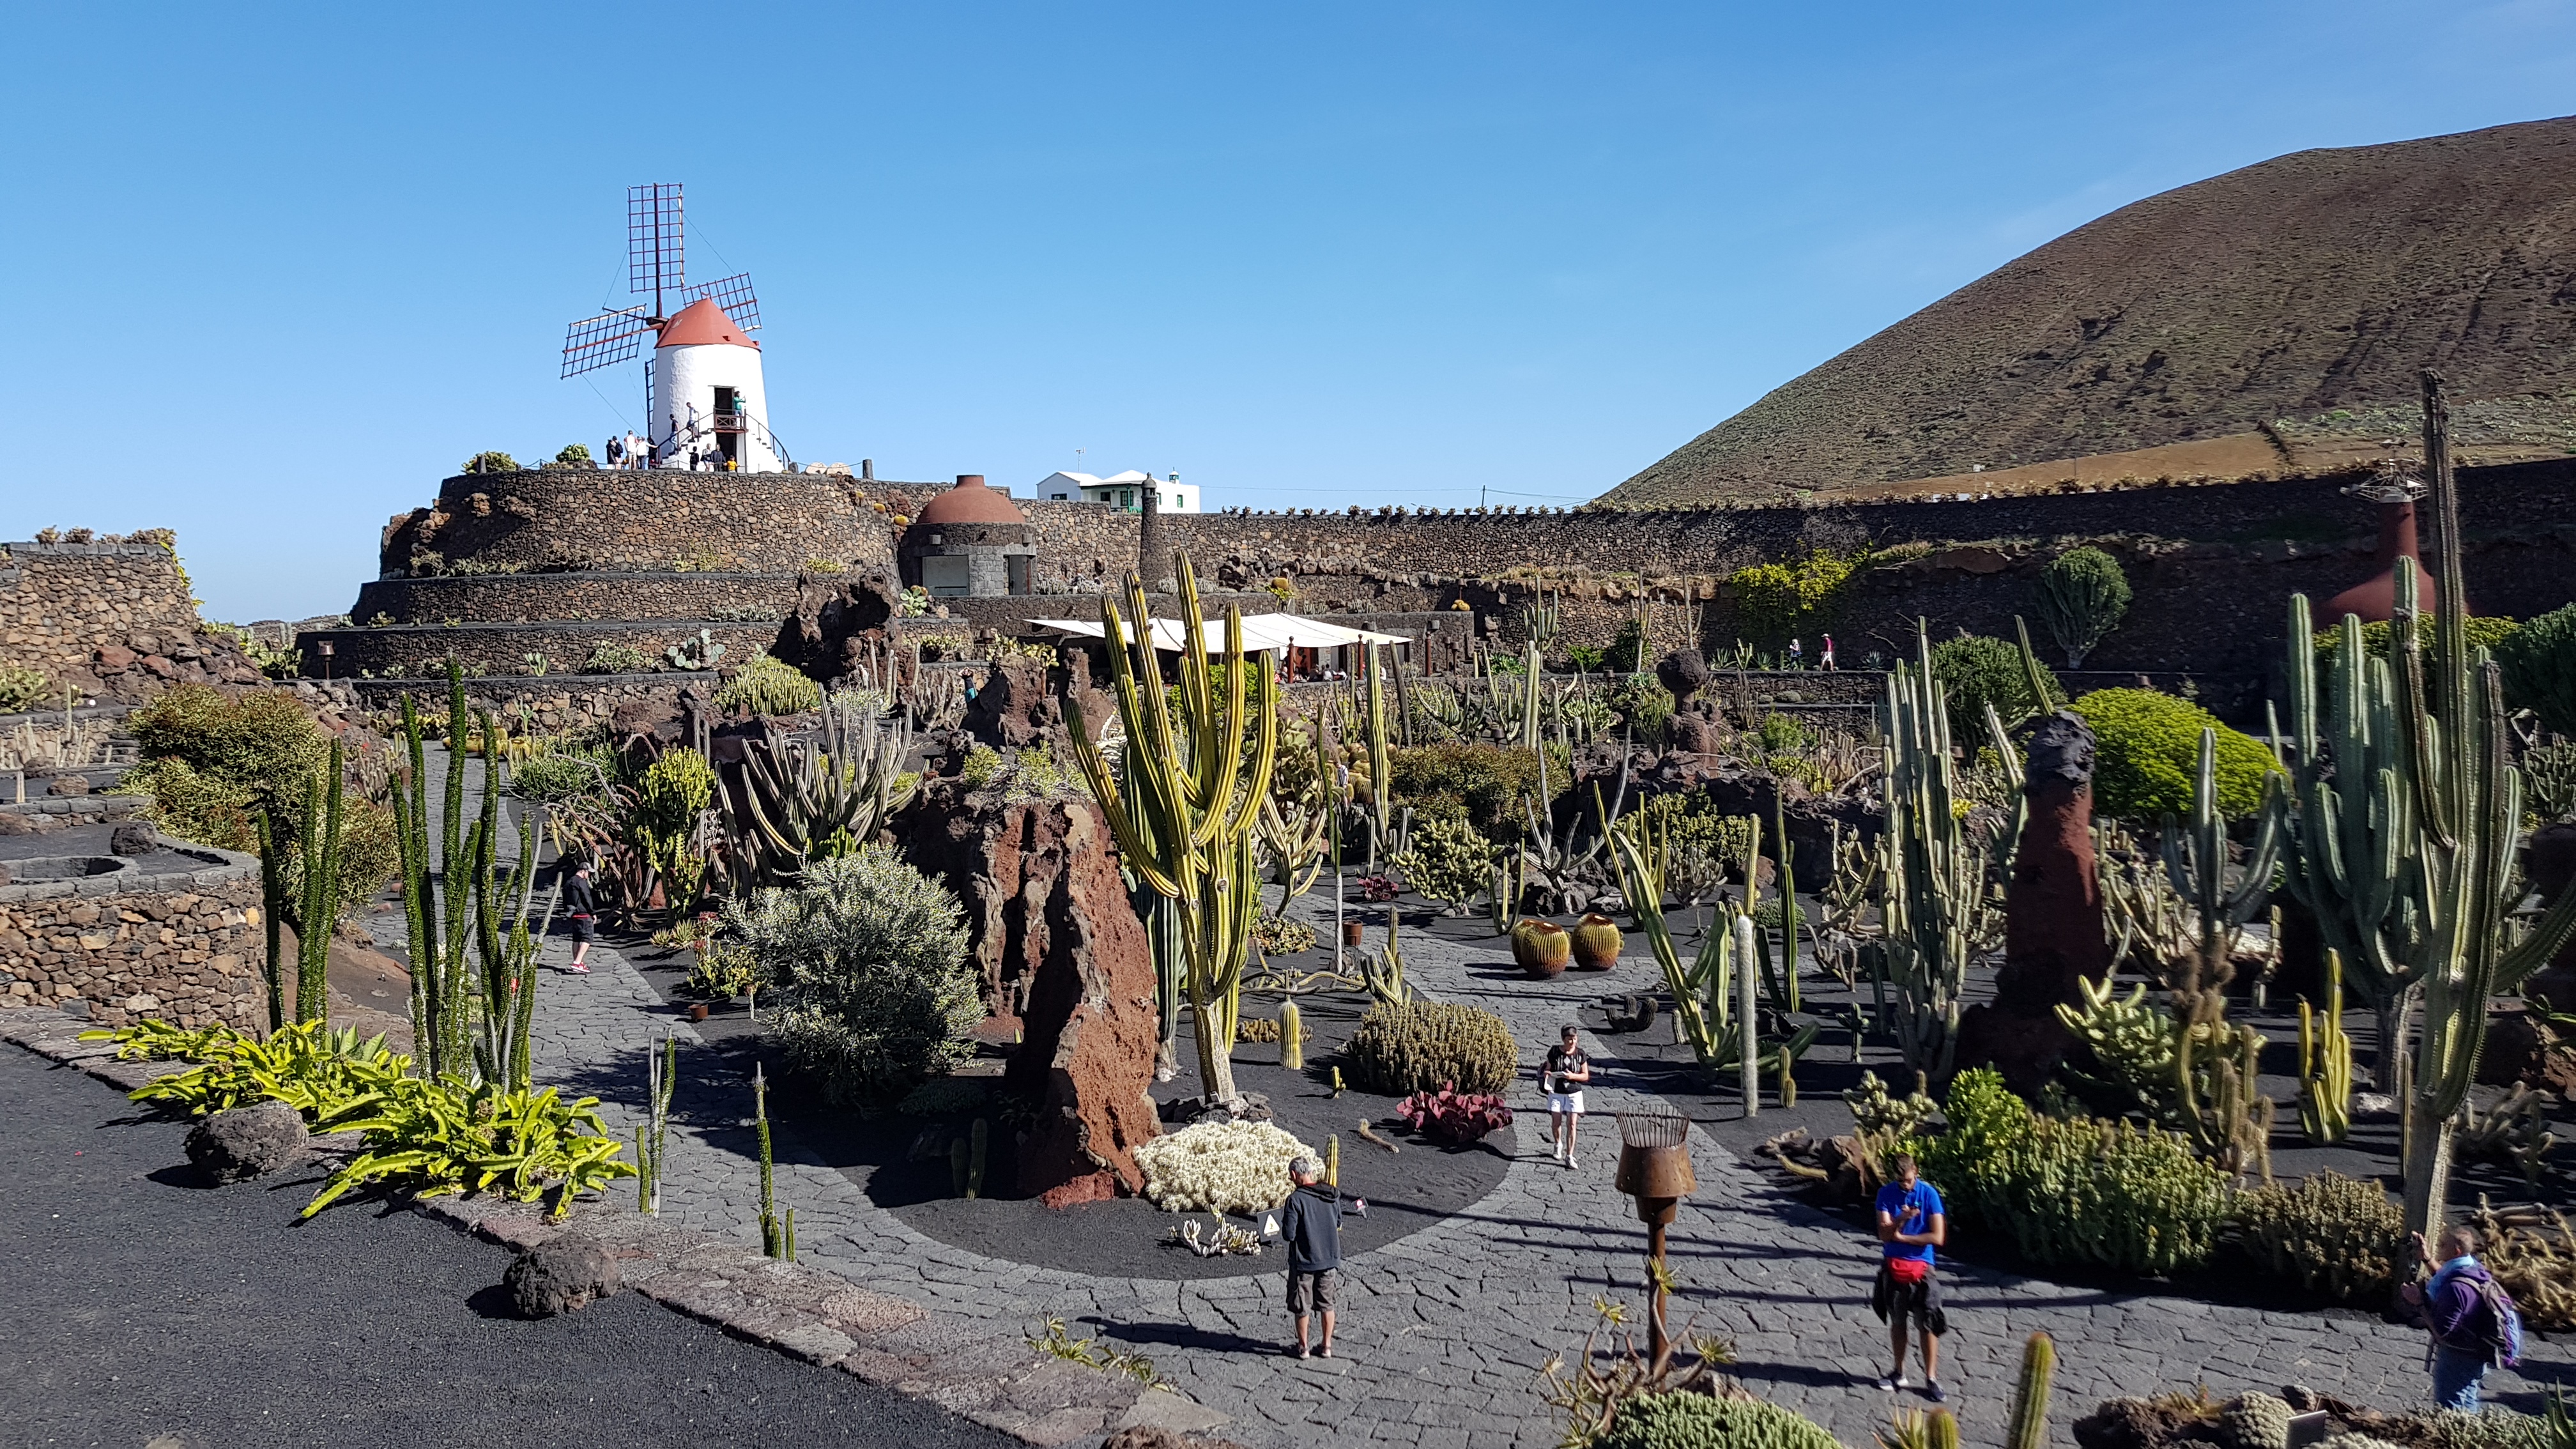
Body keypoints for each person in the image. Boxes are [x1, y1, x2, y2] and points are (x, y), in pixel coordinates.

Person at [2401, 1225, 2521, 1409]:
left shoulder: (2457, 1289)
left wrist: (2418, 1303)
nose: (2437, 1247)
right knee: (2468, 1402)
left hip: (2458, 1358)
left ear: (2456, 1250)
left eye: (2442, 1245)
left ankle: (2449, 1438)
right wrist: (2427, 1258)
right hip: (2475, 1355)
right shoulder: (2472, 1268)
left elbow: (2443, 1333)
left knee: (2450, 1408)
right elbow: (2447, 1277)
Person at [1872, 1153, 1948, 1401]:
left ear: (1915, 1170)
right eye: (1900, 1181)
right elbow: (1883, 1234)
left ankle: (1931, 1378)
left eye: (1908, 1180)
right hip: (1894, 1266)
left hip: (1922, 1268)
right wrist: (1901, 1219)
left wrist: (1904, 1238)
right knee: (1897, 1321)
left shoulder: (1929, 1194)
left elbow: (1938, 1237)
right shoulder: (1886, 1194)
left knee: (1927, 1323)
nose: (1905, 1185)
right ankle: (1899, 1371)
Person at [1276, 1156, 1346, 1358]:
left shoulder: (1295, 1200)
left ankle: (1303, 1347)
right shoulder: (1331, 1196)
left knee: (1302, 1305)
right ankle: (1326, 1346)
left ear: (1293, 1175)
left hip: (1304, 1261)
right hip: (1329, 1258)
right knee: (1327, 1303)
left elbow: (1289, 1235)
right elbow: (1338, 1222)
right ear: (1311, 1172)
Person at [1542, 1025, 1593, 1169]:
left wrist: (1572, 1076)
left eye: (1575, 1039)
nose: (1573, 1043)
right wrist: (1548, 1074)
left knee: (1572, 1124)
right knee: (1556, 1122)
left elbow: (1585, 1075)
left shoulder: (1580, 1054)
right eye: (1569, 1039)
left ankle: (1570, 1156)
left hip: (1574, 1093)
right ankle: (1558, 1143)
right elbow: (1548, 1068)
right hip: (1556, 1092)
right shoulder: (1554, 1052)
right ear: (1563, 1039)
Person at [561, 859, 599, 974]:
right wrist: (592, 912)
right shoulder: (581, 882)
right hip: (584, 914)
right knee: (587, 938)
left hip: (573, 914)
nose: (590, 875)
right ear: (583, 872)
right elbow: (586, 897)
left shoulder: (568, 882)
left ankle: (577, 962)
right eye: (589, 873)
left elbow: (565, 898)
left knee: (576, 939)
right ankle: (577, 962)